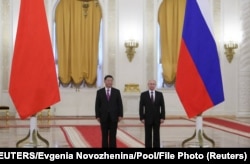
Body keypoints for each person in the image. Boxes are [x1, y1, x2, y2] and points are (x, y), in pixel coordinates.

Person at [95, 75, 123, 148]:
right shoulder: (99, 92)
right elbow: (97, 105)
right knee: (104, 135)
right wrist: (97, 116)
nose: (110, 82)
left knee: (113, 135)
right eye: (108, 80)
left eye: (111, 80)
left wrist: (120, 115)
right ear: (104, 81)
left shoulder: (116, 92)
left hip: (114, 117)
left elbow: (120, 104)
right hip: (103, 117)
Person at [139, 79, 165, 148]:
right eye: (150, 84)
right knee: (148, 135)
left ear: (155, 85)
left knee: (156, 134)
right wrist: (141, 117)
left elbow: (162, 106)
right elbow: (141, 107)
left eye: (153, 84)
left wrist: (162, 117)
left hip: (157, 118)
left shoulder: (160, 94)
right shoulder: (143, 94)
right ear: (148, 85)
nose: (152, 85)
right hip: (147, 118)